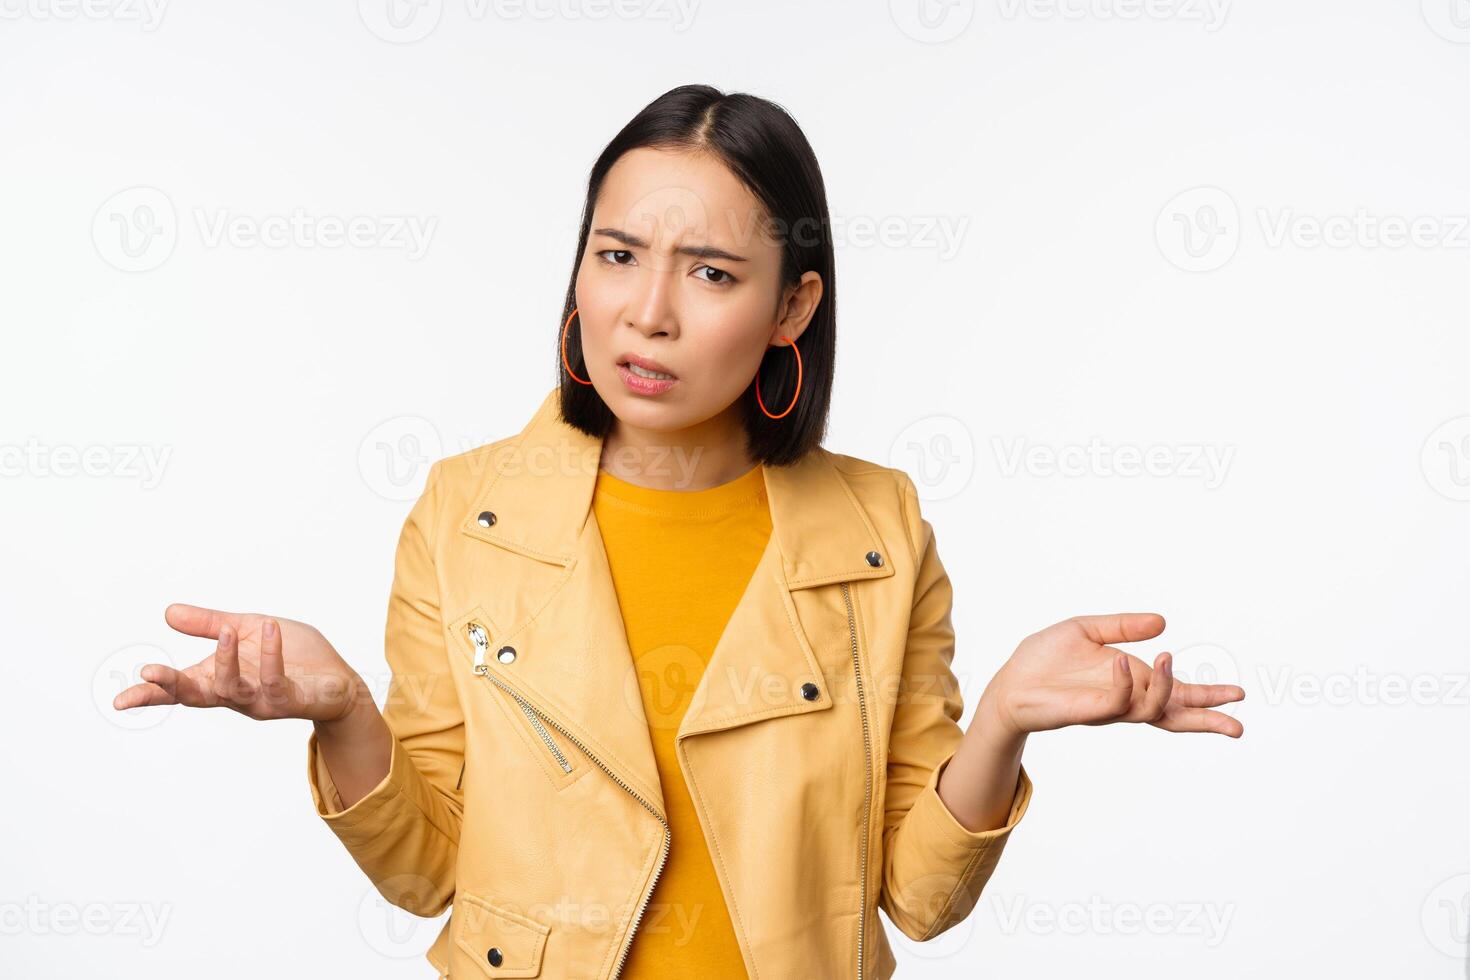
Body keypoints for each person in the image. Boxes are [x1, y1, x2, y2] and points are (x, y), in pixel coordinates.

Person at [113, 83, 1245, 979]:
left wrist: (1001, 721)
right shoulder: (469, 511)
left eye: (709, 272)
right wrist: (347, 711)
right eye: (616, 254)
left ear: (792, 307)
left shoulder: (880, 526)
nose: (647, 312)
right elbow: (428, 871)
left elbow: (915, 896)